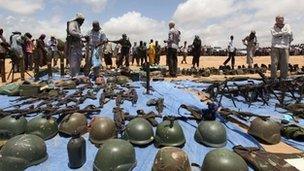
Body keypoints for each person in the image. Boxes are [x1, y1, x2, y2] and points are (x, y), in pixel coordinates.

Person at [270, 16, 293, 80]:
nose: (280, 20)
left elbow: (289, 33)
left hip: (285, 46)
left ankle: (284, 78)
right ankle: (273, 79)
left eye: (281, 19)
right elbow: (274, 34)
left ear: (283, 20)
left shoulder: (287, 26)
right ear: (276, 20)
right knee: (274, 63)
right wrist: (284, 33)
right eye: (279, 19)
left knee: (285, 63)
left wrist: (280, 34)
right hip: (275, 46)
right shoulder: (272, 27)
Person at [66, 13, 85, 77]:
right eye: (82, 21)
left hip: (78, 47)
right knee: (74, 63)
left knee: (78, 62)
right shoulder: (73, 23)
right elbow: (72, 31)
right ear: (79, 19)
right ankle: (73, 76)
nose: (83, 22)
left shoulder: (78, 25)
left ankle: (76, 75)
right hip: (73, 46)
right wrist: (82, 35)